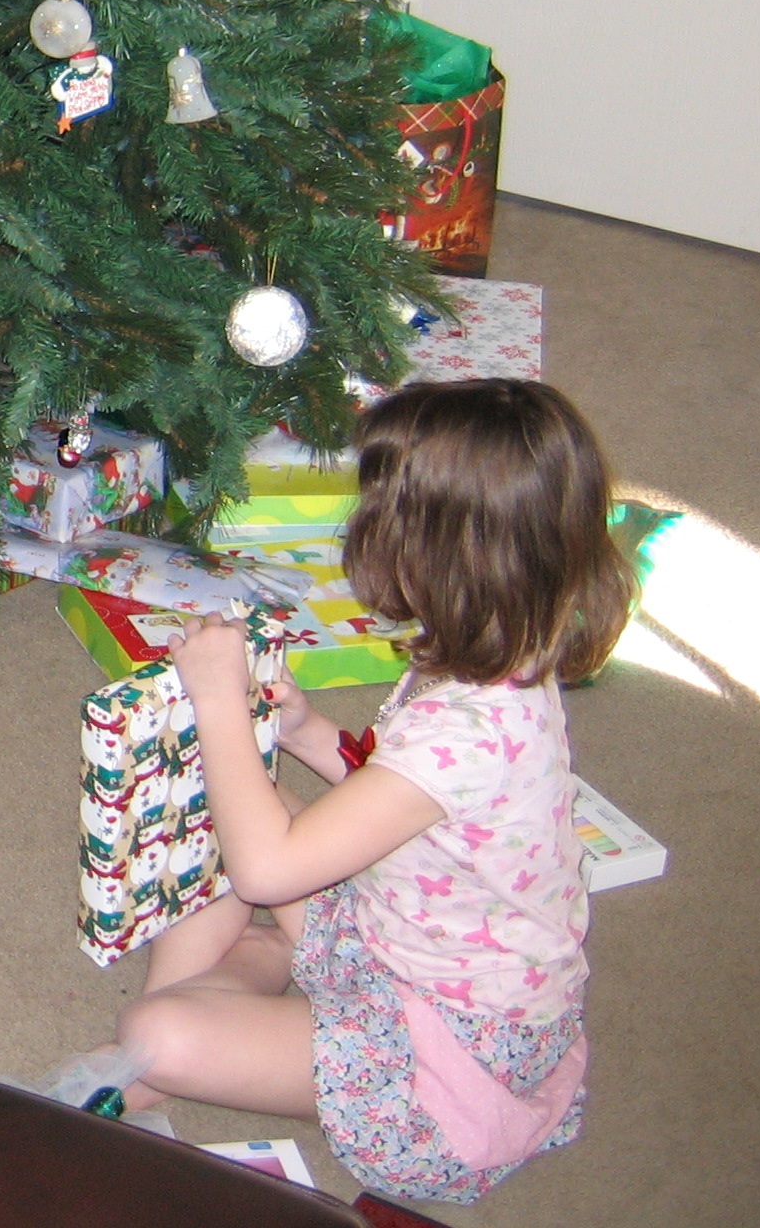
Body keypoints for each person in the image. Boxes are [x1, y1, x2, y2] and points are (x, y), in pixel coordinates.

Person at [114, 378, 634, 1203]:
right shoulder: (507, 651)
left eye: (376, 515)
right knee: (229, 798)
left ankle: (194, 1027)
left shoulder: (470, 729)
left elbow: (265, 870)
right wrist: (307, 732)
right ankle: (230, 999)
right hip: (400, 935)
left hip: (444, 1056)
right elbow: (418, 807)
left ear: (438, 554)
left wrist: (218, 699)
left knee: (159, 1030)